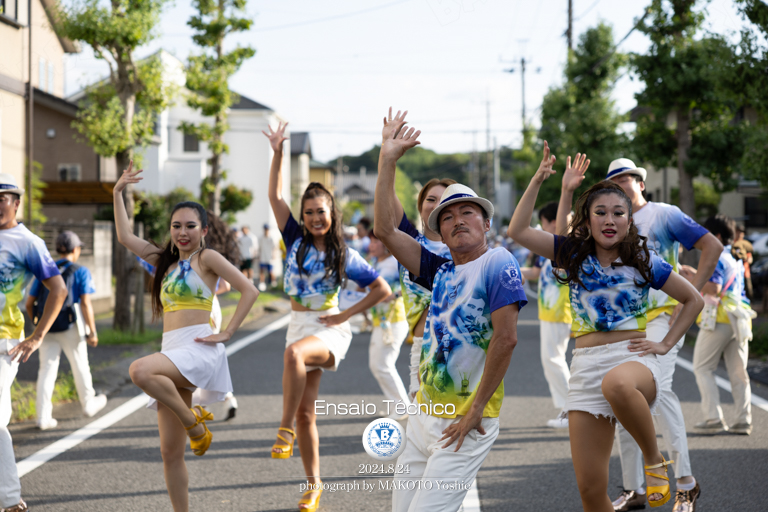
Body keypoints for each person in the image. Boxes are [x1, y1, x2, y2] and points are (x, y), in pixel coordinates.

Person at [509, 144, 704, 511]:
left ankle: (653, 457)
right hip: (585, 367)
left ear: (630, 221)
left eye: (619, 212)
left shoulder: (644, 260)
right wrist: (546, 181)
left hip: (632, 361)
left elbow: (693, 298)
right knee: (590, 490)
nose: (610, 219)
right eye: (600, 212)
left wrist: (664, 345)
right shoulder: (573, 255)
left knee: (615, 383)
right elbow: (518, 230)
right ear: (587, 220)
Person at [374, 109, 526, 512]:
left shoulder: (497, 263)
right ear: (437, 232)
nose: (457, 220)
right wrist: (387, 160)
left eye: (467, 212)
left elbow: (506, 339)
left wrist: (475, 410)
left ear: (486, 222)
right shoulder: (438, 271)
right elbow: (386, 231)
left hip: (466, 418)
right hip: (424, 415)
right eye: (447, 217)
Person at [558, 157, 722, 511]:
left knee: (649, 393)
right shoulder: (602, 219)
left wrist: (694, 288)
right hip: (614, 329)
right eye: (614, 178)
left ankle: (683, 481)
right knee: (619, 402)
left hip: (659, 317)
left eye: (628, 177)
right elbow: (559, 244)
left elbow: (713, 246)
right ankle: (634, 486)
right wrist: (565, 192)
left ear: (640, 184)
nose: (621, 182)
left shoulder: (665, 214)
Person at [114, 162, 259, 512]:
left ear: (204, 229)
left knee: (139, 371)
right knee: (169, 453)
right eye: (176, 226)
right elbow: (125, 237)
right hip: (172, 350)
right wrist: (117, 192)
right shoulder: (163, 260)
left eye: (190, 226)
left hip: (197, 347)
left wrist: (227, 331)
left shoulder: (207, 258)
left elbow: (249, 290)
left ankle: (194, 423)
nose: (182, 232)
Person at [263, 122, 391, 512]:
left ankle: (282, 430)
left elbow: (381, 290)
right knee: (307, 412)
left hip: (328, 327)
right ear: (302, 217)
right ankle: (314, 484)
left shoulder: (345, 254)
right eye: (310, 212)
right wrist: (279, 153)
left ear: (332, 213)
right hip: (299, 326)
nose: (316, 217)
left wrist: (345, 317)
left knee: (293, 357)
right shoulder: (295, 241)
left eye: (322, 211)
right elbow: (275, 194)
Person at [1, 173, 67, 512]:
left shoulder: (27, 242)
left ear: (16, 203)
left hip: (5, 341)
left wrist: (38, 335)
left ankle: (10, 498)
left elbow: (58, 289)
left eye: (3, 198)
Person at [27, 231, 108, 430]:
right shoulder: (80, 271)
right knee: (80, 364)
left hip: (47, 326)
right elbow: (86, 304)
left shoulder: (46, 270)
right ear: (76, 250)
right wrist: (92, 331)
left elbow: (29, 303)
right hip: (72, 325)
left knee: (46, 368)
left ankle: (43, 417)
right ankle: (88, 404)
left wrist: (39, 323)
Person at [690, 215, 754, 436]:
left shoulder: (715, 255)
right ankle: (743, 419)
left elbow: (714, 288)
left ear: (716, 236)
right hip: (741, 317)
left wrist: (692, 278)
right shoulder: (736, 255)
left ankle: (713, 418)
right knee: (739, 372)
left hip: (720, 317)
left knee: (702, 367)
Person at [519, 201, 573, 429]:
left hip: (560, 309)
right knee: (553, 359)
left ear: (553, 221)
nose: (541, 227)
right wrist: (514, 271)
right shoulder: (548, 245)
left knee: (553, 359)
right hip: (551, 309)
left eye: (542, 223)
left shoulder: (568, 244)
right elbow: (537, 272)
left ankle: (571, 411)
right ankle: (570, 410)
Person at [366, 230, 410, 419]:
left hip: (394, 320)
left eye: (376, 241)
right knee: (377, 365)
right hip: (380, 321)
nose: (372, 245)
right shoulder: (375, 262)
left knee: (382, 364)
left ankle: (402, 407)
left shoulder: (395, 262)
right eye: (371, 241)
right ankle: (398, 405)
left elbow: (411, 282)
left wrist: (396, 294)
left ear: (386, 243)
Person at [732, 224, 753, 300]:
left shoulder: (745, 244)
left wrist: (744, 258)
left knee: (748, 293)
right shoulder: (731, 244)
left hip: (745, 273)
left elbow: (750, 259)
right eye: (738, 232)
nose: (740, 234)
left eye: (742, 232)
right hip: (733, 274)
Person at [259, 224, 276, 291]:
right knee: (262, 271)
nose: (266, 230)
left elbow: (274, 248)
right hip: (263, 257)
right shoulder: (261, 238)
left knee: (271, 271)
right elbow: (259, 248)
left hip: (270, 258)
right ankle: (262, 283)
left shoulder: (271, 238)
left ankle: (273, 283)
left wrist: (273, 255)